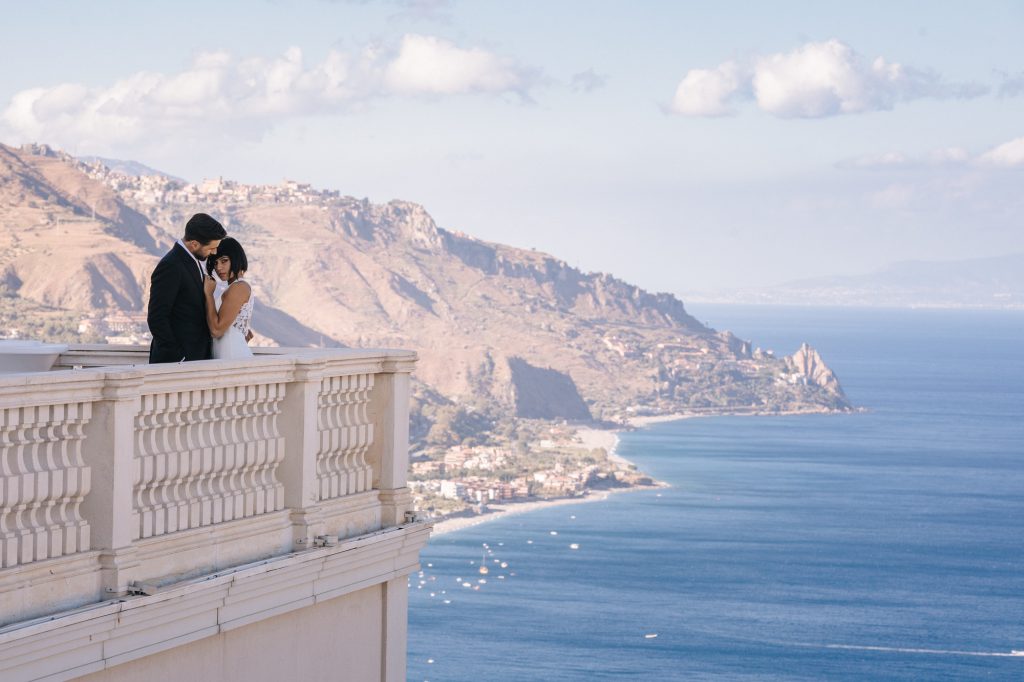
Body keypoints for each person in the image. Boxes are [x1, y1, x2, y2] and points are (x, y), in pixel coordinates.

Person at [147, 213, 226, 363]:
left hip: (194, 360)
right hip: (177, 364)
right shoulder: (171, 265)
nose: (214, 252)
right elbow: (157, 317)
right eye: (211, 248)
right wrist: (178, 357)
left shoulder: (192, 260)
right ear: (194, 244)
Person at [203, 237, 254, 359]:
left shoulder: (239, 287)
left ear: (236, 258)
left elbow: (216, 330)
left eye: (224, 261)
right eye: (215, 263)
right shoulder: (234, 287)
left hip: (232, 359)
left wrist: (208, 294)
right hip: (228, 356)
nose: (219, 267)